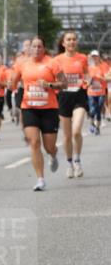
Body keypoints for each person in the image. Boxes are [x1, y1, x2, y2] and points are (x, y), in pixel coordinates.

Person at [11, 36, 63, 190]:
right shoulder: (22, 64)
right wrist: (12, 83)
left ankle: (53, 155)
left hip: (49, 109)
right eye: (33, 46)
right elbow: (13, 83)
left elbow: (64, 84)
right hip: (29, 108)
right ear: (29, 49)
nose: (36, 49)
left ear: (44, 48)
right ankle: (40, 179)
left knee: (49, 147)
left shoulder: (52, 63)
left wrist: (49, 85)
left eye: (39, 46)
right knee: (34, 142)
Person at [51, 31, 89, 178]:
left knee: (76, 131)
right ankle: (69, 163)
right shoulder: (57, 60)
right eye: (69, 39)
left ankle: (77, 161)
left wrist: (87, 82)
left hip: (79, 96)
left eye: (74, 39)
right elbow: (53, 78)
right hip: (64, 97)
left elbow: (87, 74)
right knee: (67, 136)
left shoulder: (82, 58)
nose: (72, 42)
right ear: (63, 43)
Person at [87, 50, 106, 135]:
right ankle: (91, 124)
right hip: (91, 92)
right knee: (92, 110)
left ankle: (97, 128)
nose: (94, 58)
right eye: (93, 56)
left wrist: (99, 78)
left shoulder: (103, 67)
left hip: (101, 92)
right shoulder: (88, 68)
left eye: (96, 56)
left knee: (98, 111)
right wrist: (89, 80)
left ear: (99, 57)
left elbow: (108, 78)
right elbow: (85, 81)